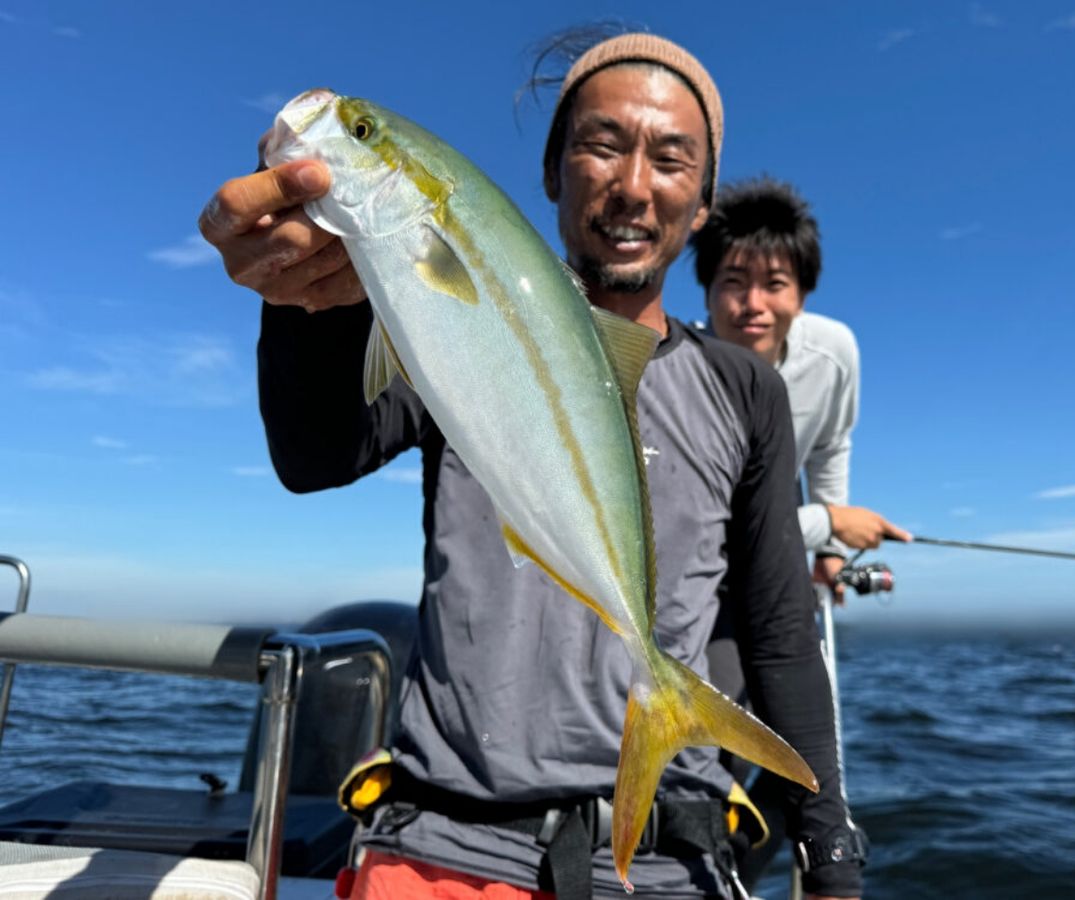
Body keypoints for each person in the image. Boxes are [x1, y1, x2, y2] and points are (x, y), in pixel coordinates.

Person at [199, 31, 863, 900]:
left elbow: (778, 629)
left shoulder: (743, 389)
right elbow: (316, 455)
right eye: (601, 144)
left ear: (701, 203)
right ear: (552, 172)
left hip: (666, 863)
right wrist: (305, 303)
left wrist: (830, 845)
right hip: (440, 844)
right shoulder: (438, 322)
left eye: (670, 159)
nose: (632, 185)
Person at [692, 177, 911, 603]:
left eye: (774, 284)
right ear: (706, 292)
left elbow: (830, 445)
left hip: (780, 539)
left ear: (802, 295)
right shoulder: (675, 371)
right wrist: (829, 523)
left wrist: (830, 552)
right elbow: (711, 525)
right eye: (734, 282)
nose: (753, 303)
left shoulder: (833, 352)